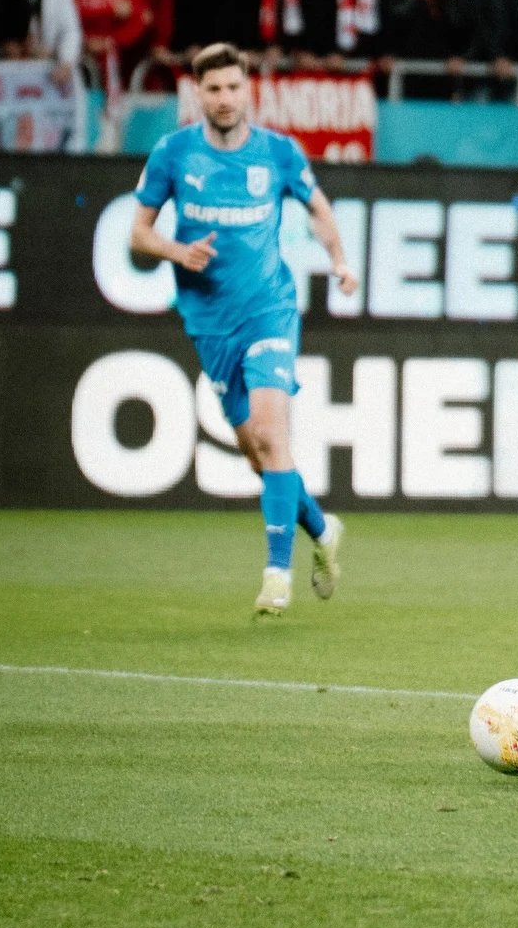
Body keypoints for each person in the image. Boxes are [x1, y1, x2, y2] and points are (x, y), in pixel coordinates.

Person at [129, 42, 356, 615]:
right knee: (257, 452)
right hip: (209, 322)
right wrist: (178, 252)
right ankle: (322, 529)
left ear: (248, 89)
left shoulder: (277, 153)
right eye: (213, 89)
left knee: (275, 436)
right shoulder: (173, 153)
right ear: (196, 94)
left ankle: (276, 575)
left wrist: (339, 260)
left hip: (270, 311)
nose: (225, 98)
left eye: (233, 87)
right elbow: (138, 234)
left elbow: (319, 209)